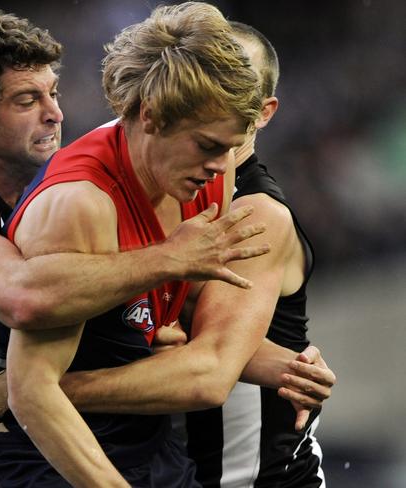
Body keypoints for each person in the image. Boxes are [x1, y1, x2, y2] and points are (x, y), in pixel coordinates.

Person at [0, 8, 280, 488]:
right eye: (27, 100)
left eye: (53, 93)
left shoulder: (16, 199)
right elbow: (27, 298)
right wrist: (170, 258)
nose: (55, 113)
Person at [0, 3, 334, 487]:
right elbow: (29, 395)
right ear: (151, 115)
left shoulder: (209, 171)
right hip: (58, 457)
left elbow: (183, 318)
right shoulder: (81, 203)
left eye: (232, 147)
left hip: (152, 446)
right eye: (209, 145)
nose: (222, 164)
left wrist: (282, 362)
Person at [182, 21, 327, 487]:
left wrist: (46, 389)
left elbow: (209, 367)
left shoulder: (254, 214)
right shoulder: (158, 188)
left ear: (262, 112)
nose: (215, 93)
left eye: (234, 81)